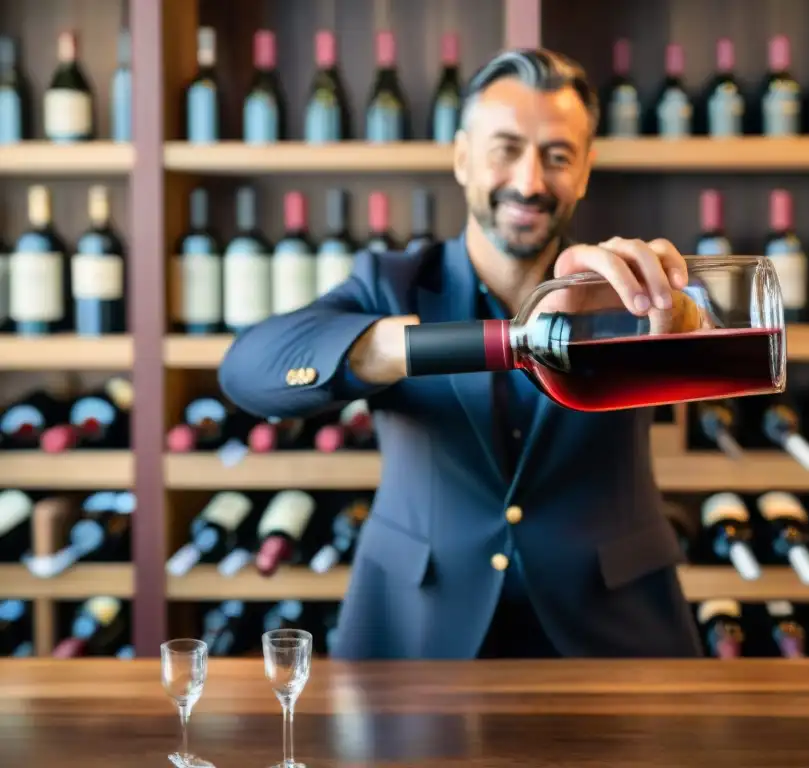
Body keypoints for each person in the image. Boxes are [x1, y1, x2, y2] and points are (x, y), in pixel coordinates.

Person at [218, 47, 704, 659]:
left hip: (613, 632)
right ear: (462, 158)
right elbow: (246, 370)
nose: (529, 182)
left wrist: (673, 308)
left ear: (584, 172)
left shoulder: (622, 286)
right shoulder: (390, 281)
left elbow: (709, 336)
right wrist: (393, 346)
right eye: (505, 148)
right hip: (416, 632)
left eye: (557, 156)